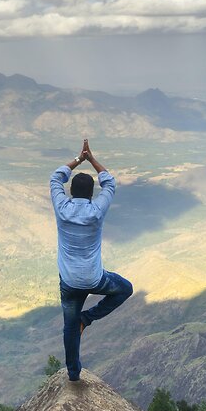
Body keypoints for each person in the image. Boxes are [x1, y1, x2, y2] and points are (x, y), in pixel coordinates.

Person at [49, 138, 134, 381]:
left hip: (69, 282)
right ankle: (88, 318)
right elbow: (110, 182)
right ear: (90, 194)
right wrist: (92, 159)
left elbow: (55, 178)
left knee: (69, 326)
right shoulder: (97, 211)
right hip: (95, 279)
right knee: (125, 289)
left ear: (72, 191)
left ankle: (73, 374)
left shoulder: (62, 209)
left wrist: (78, 159)